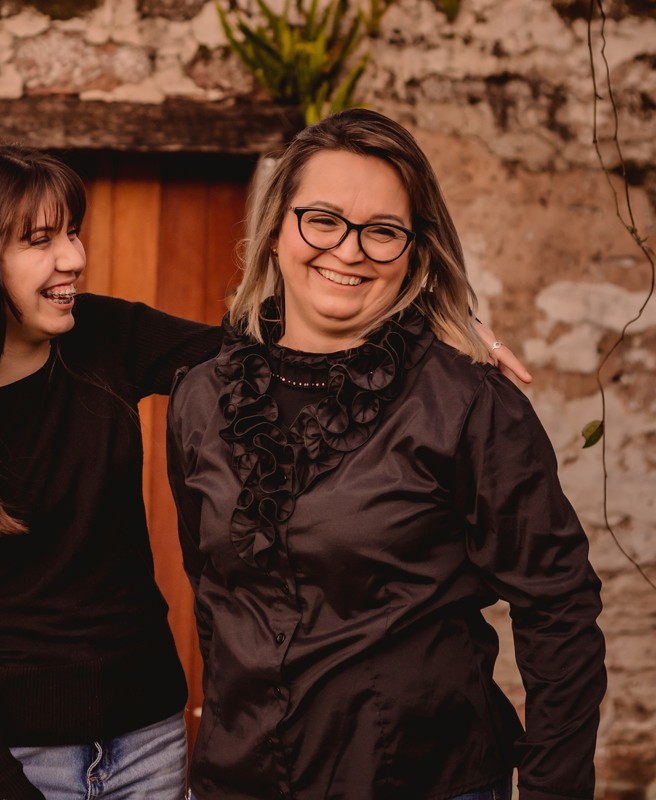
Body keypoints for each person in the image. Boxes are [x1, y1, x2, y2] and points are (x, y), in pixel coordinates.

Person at [0, 141, 531, 800]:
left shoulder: (101, 339)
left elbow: (276, 356)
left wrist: (433, 347)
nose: (72, 257)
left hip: (145, 745)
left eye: (72, 232)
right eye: (39, 242)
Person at [166, 108, 606, 800]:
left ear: (414, 250)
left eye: (382, 231)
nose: (349, 250)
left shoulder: (470, 405)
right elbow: (215, 596)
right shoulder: (199, 400)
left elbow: (560, 610)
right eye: (323, 219)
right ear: (277, 227)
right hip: (239, 780)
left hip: (422, 780)